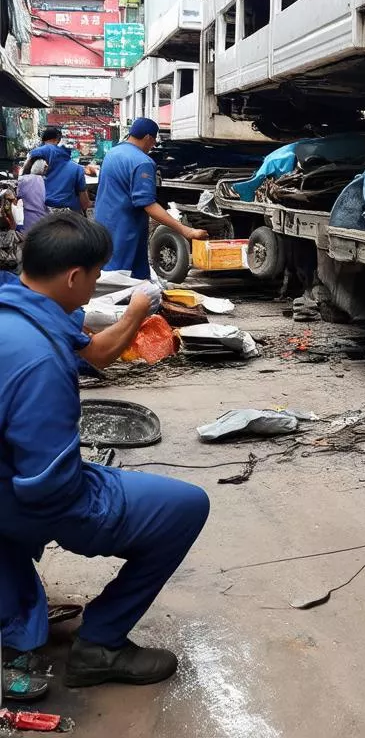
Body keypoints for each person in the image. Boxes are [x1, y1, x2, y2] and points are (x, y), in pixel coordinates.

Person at [0, 217, 209, 698]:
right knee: (184, 506)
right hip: (20, 493)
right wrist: (99, 499)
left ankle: (17, 614)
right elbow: (48, 487)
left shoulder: (18, 309)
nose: (96, 286)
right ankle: (101, 644)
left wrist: (130, 313)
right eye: (95, 277)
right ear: (74, 277)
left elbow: (92, 350)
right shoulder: (39, 361)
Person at [93, 118, 207, 279]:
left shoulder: (112, 154)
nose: (152, 146)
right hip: (125, 230)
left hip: (103, 225)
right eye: (153, 141)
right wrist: (186, 230)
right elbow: (148, 204)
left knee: (112, 275)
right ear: (148, 138)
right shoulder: (142, 162)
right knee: (120, 281)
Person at [24, 128, 90, 215]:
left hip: (39, 217)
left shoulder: (33, 159)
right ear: (58, 140)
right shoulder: (76, 168)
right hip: (69, 218)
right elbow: (84, 204)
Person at [16, 167, 46, 232]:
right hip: (48, 225)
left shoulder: (24, 180)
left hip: (30, 226)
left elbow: (17, 196)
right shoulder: (50, 180)